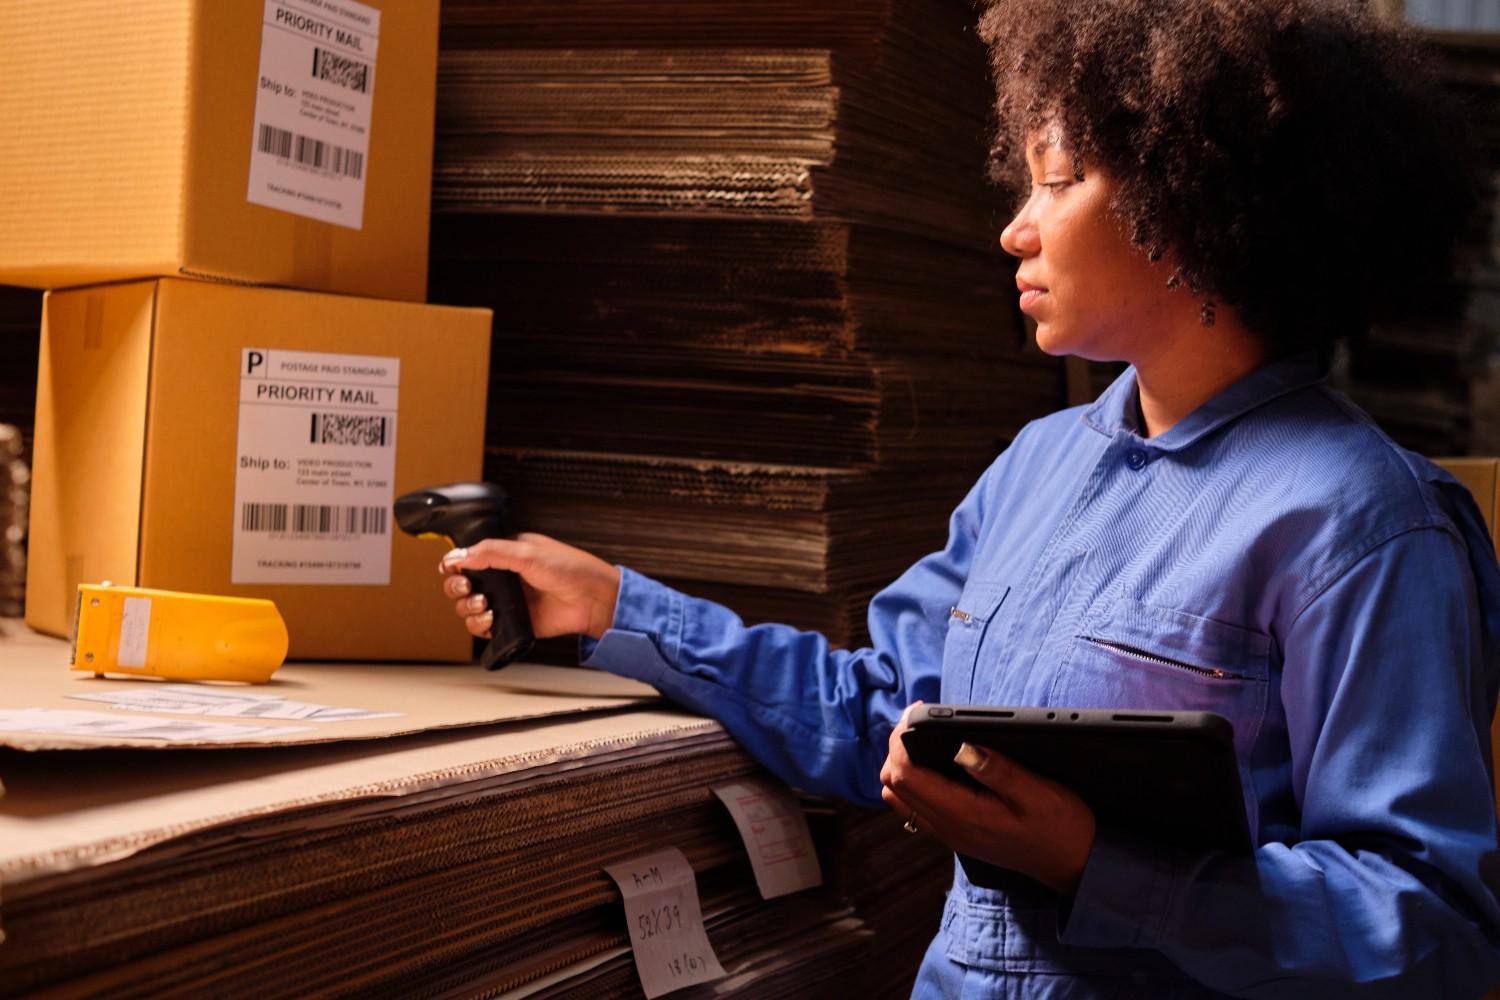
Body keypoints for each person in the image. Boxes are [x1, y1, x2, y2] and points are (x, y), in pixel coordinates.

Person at [439, 0, 1500, 995]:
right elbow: (882, 717)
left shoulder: (1362, 525)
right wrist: (620, 605)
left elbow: (1432, 926)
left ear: (1194, 197)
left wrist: (1094, 864)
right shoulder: (1040, 466)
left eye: (1058, 180)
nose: (1015, 229)